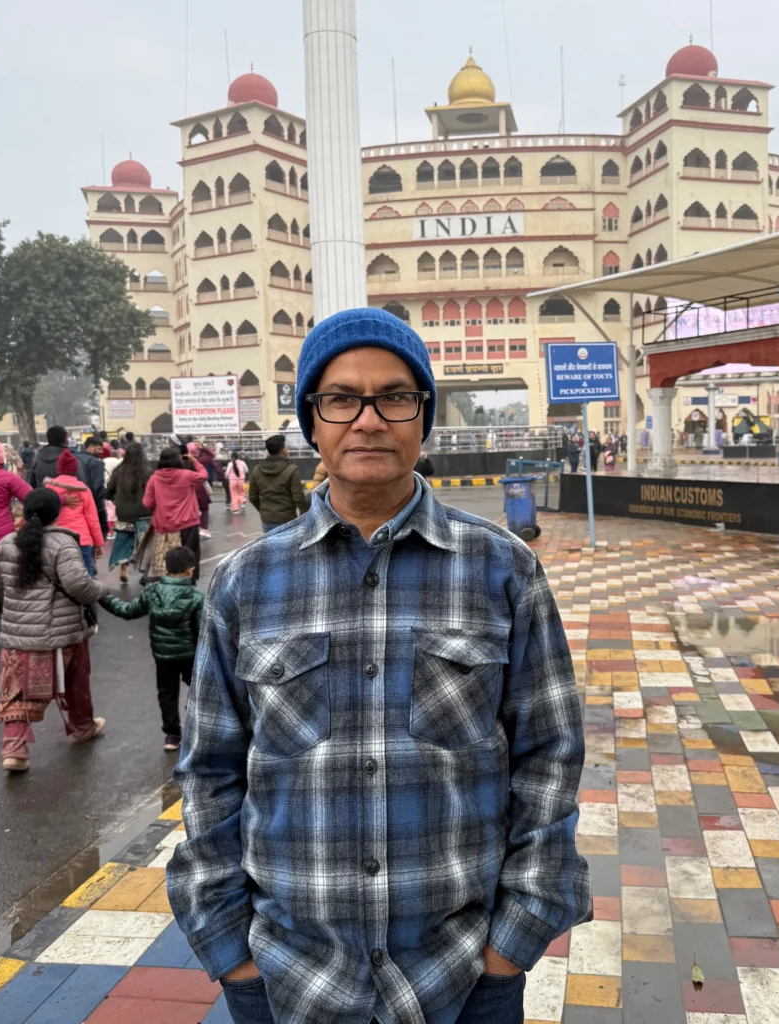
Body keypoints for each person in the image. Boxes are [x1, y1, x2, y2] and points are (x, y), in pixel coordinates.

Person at [168, 307, 591, 1024]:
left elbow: (550, 754)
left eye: (395, 396)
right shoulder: (246, 583)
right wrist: (228, 947)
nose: (368, 420)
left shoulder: (500, 570)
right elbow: (211, 771)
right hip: (286, 977)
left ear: (422, 414)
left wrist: (513, 941)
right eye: (341, 399)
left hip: (464, 978)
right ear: (314, 419)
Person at [0, 488, 107, 771]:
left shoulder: (6, 543)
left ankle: (14, 752)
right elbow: (80, 587)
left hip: (18, 636)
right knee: (76, 679)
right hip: (61, 633)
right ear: (56, 513)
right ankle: (82, 727)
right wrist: (102, 590)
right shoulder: (62, 544)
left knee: (15, 691)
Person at [99, 546, 204, 751]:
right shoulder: (196, 597)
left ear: (165, 567)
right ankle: (198, 725)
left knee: (166, 693)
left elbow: (127, 611)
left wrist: (101, 595)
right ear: (191, 570)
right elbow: (202, 632)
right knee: (200, 690)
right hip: (190, 655)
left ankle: (172, 735)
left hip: (163, 655)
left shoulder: (152, 591)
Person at [143, 447, 208, 579]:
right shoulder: (186, 475)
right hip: (188, 524)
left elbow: (147, 502)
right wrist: (194, 460)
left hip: (164, 526)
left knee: (169, 558)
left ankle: (168, 581)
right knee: (189, 557)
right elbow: (204, 475)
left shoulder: (154, 478)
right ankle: (189, 582)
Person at [46, 450, 104, 577]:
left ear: (59, 468)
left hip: (57, 540)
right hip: (81, 540)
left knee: (59, 577)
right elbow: (92, 519)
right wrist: (98, 543)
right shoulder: (83, 489)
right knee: (86, 577)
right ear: (75, 469)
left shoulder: (49, 488)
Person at [0, 438, 32, 592]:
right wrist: (60, 498)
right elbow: (33, 498)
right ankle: (1, 613)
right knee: (1, 582)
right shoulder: (7, 477)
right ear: (0, 457)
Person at [107, 442, 152, 584]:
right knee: (145, 543)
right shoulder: (148, 471)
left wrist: (115, 499)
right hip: (145, 513)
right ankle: (146, 571)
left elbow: (108, 491)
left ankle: (123, 567)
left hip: (124, 513)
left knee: (123, 541)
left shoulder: (119, 471)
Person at [248, 433, 309, 534]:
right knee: (289, 549)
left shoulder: (257, 470)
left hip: (267, 520)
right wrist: (304, 513)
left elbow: (252, 496)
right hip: (287, 519)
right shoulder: (291, 470)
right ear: (283, 450)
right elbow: (298, 497)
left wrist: (264, 511)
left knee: (271, 549)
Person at [76, 436, 109, 541]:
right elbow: (98, 485)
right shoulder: (96, 462)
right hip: (94, 504)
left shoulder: (75, 458)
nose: (101, 452)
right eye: (99, 448)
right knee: (99, 533)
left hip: (77, 502)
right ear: (90, 447)